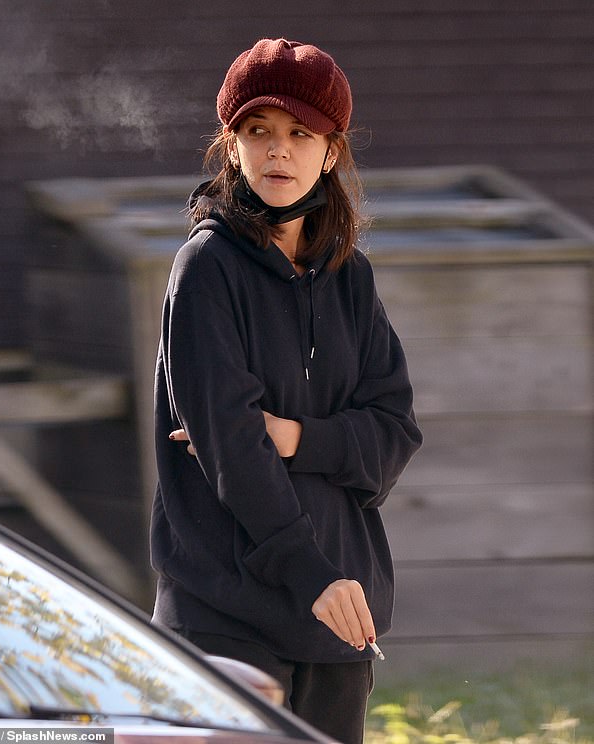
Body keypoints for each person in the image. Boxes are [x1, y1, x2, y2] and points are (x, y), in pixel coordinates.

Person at [150, 38, 423, 744]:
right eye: (258, 130)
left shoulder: (351, 278)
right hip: (226, 616)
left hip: (339, 619)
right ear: (232, 145)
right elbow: (230, 446)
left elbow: (394, 435)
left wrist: (296, 437)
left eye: (301, 133)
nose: (279, 149)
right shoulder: (205, 268)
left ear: (331, 153)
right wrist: (310, 574)